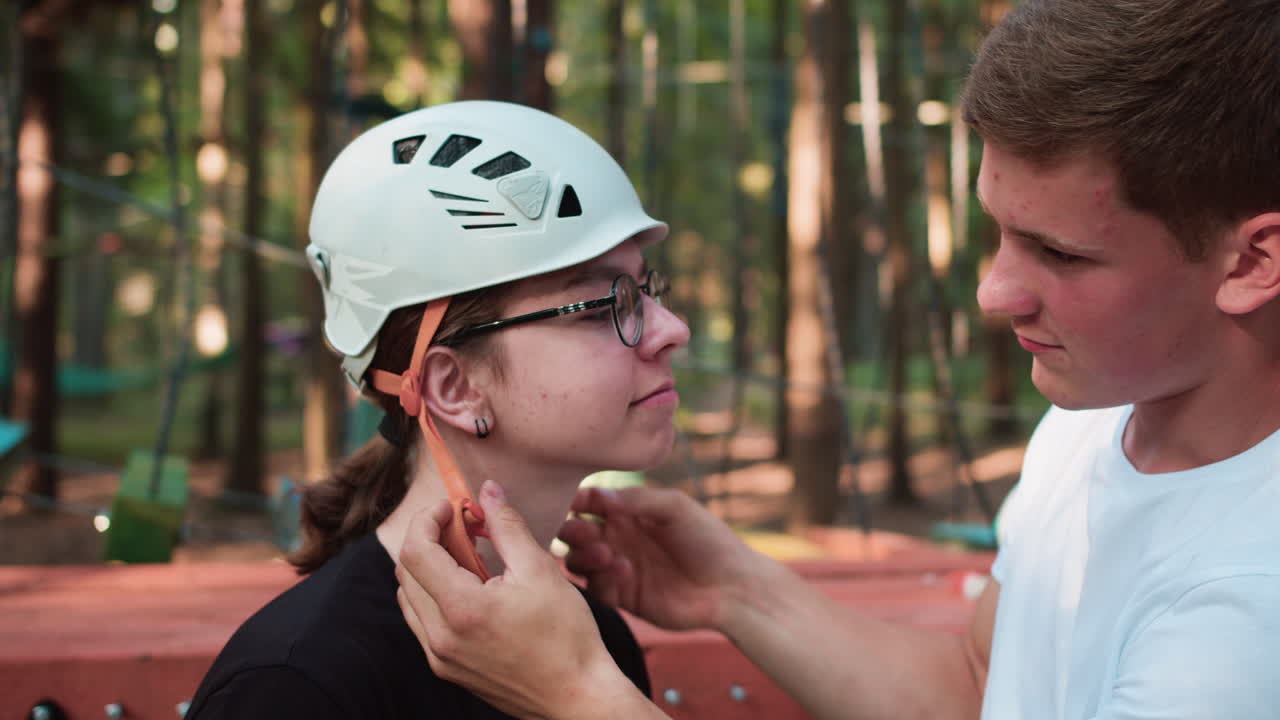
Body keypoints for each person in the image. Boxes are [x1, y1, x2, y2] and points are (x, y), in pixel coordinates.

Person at [395, 0, 1280, 718]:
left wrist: (578, 696)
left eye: (1063, 254)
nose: (994, 292)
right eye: (1000, 232)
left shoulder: (1250, 605)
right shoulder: (1100, 420)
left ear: (1251, 261)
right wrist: (738, 592)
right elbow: (983, 691)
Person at [183, 100, 690, 718]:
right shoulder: (297, 687)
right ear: (454, 387)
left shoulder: (593, 646)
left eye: (643, 291)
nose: (670, 328)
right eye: (596, 306)